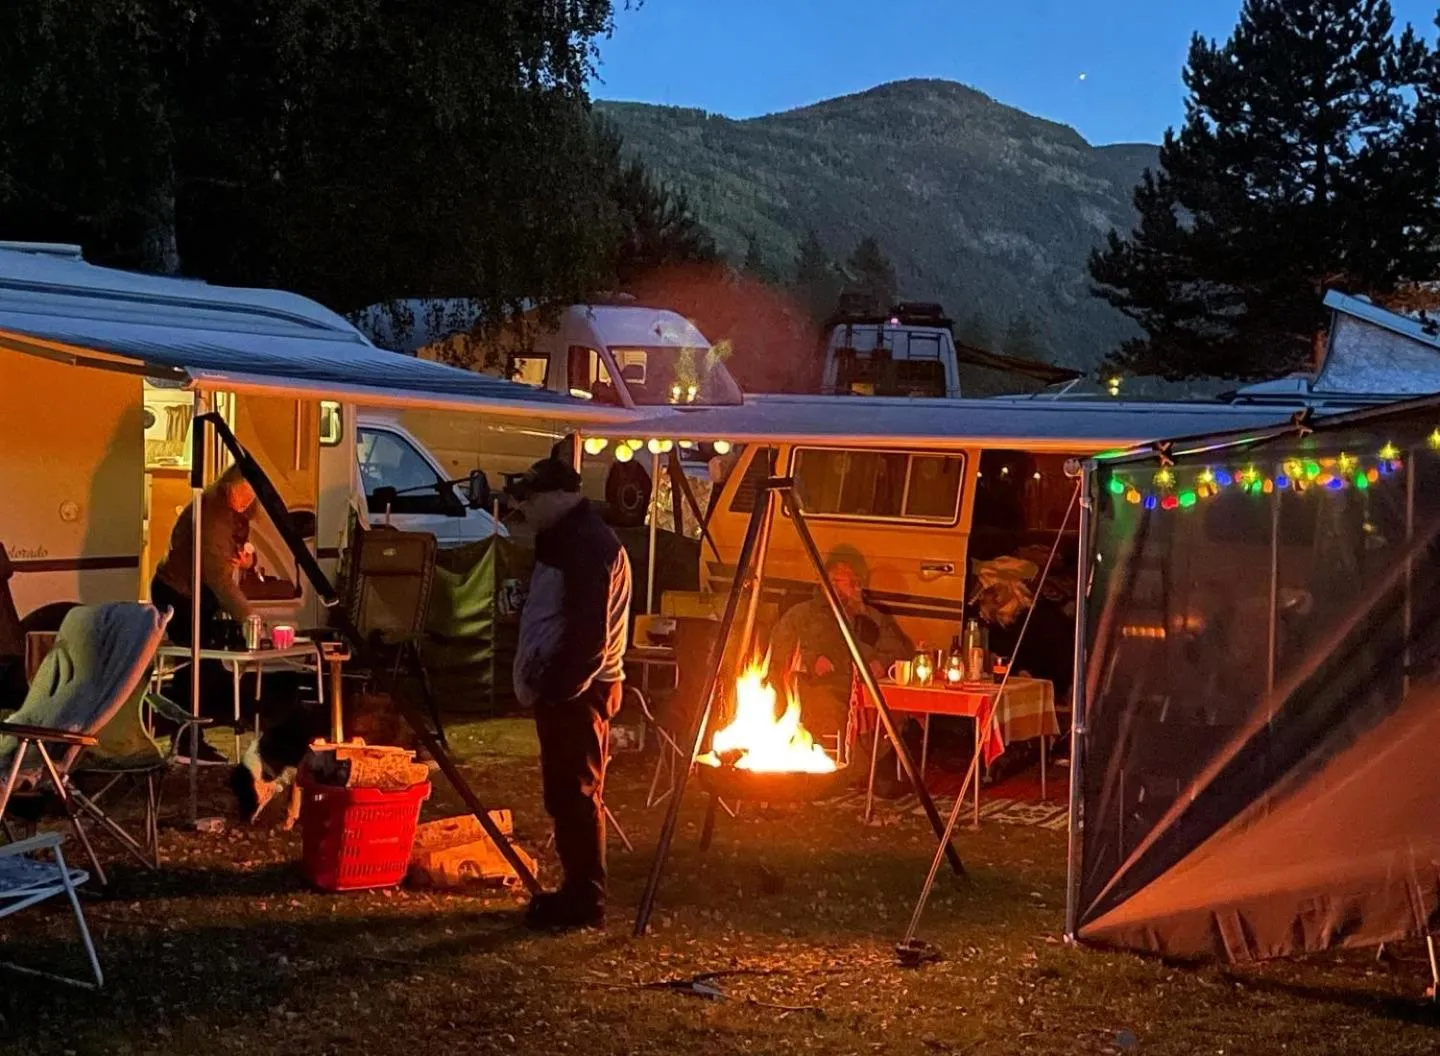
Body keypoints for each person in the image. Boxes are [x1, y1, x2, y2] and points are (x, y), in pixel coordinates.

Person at [508, 457, 631, 931]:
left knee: (576, 792)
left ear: (557, 497)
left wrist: (559, 689)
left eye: (533, 499)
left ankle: (585, 899)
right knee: (568, 792)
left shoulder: (585, 546)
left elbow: (588, 637)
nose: (527, 508)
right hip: (577, 687)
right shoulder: (574, 540)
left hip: (580, 691)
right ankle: (578, 892)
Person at [149, 463, 259, 764]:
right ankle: (186, 741)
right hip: (179, 593)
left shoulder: (232, 512)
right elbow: (215, 573)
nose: (248, 500)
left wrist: (248, 561)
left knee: (201, 663)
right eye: (245, 492)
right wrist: (247, 616)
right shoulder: (212, 512)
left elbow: (235, 553)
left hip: (196, 595)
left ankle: (190, 737)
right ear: (231, 486)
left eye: (252, 495)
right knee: (195, 664)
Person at [769, 547, 912, 759]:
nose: (840, 585)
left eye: (846, 579)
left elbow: (901, 649)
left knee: (889, 707)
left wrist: (882, 663)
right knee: (824, 705)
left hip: (863, 688)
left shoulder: (872, 617)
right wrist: (810, 661)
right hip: (816, 684)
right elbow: (780, 645)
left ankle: (876, 766)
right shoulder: (802, 614)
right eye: (834, 579)